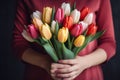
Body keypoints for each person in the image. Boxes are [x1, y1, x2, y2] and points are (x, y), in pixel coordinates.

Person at [12, 0, 116, 80]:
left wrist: (84, 63)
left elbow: (109, 43)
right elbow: (18, 43)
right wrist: (45, 63)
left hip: (87, 75)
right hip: (41, 74)